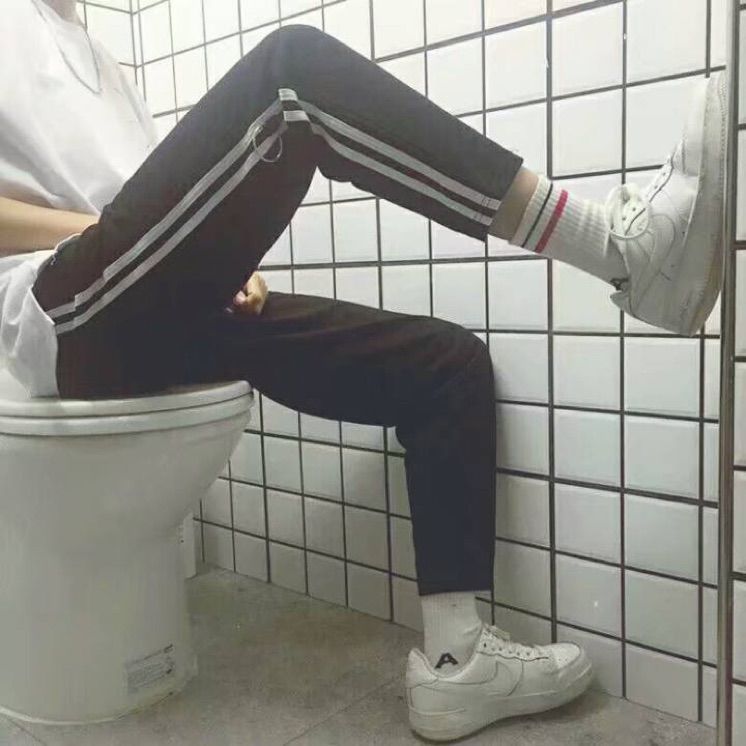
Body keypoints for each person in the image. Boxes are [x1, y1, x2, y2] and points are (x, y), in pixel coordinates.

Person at [0, 0, 725, 741]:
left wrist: (216, 262)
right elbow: (106, 226)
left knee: (446, 365)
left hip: (149, 302)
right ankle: (619, 251)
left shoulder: (102, 59)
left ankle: (458, 660)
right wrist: (104, 233)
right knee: (293, 76)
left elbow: (163, 215)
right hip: (59, 313)